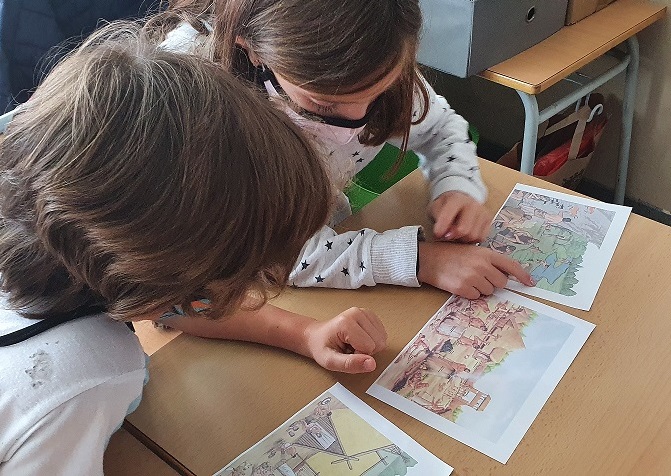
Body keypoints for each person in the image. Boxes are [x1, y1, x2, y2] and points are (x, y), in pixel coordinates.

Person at [0, 23, 386, 474]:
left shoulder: (55, 246)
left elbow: (172, 306)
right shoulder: (85, 381)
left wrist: (303, 333)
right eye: (218, 288)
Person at [150, 0, 534, 300]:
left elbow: (441, 127)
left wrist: (456, 184)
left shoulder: (369, 48)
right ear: (252, 51)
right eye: (325, 103)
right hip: (230, 288)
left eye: (380, 90)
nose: (358, 119)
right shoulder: (201, 108)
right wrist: (418, 260)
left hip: (323, 243)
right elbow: (277, 256)